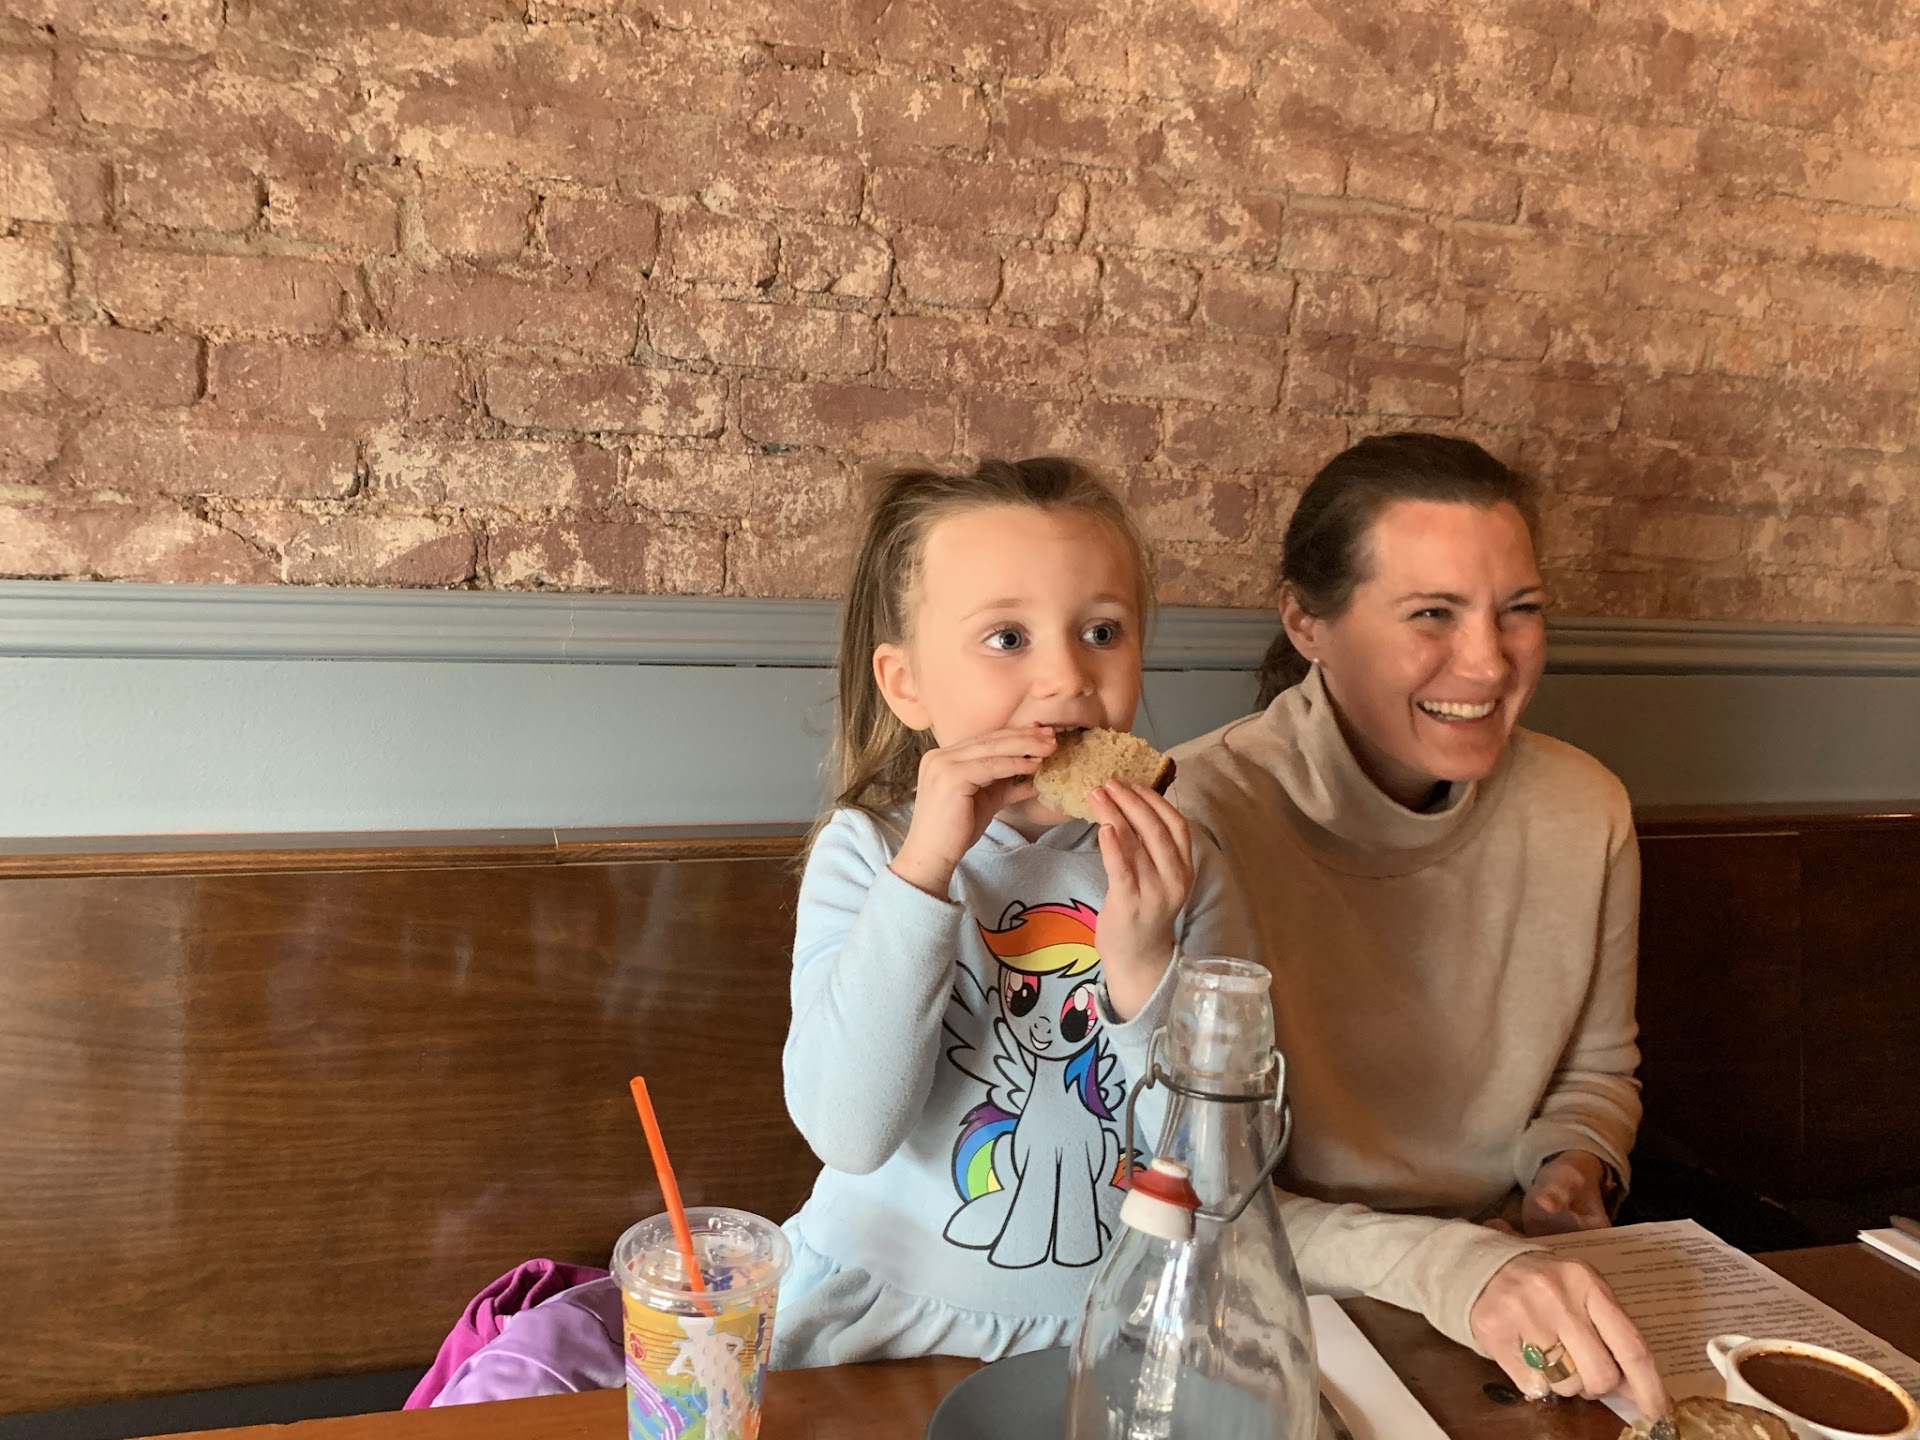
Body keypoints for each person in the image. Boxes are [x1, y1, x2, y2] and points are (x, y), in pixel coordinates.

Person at [1170, 431, 1666, 1416]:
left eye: (1518, 610)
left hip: (1506, 1290)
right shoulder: (1195, 814)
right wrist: (1455, 1265)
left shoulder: (1587, 808)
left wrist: (1571, 1172)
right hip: (1279, 1306)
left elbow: (1597, 1073)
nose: (1487, 660)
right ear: (1306, 622)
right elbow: (1199, 1185)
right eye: (1432, 613)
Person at [773, 454, 1249, 1368]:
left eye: (1102, 630)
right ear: (906, 683)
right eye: (1006, 638)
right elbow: (849, 1130)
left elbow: (1222, 1172)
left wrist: (1144, 969)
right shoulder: (869, 853)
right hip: (879, 1322)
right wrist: (924, 874)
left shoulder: (1184, 872)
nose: (1067, 676)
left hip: (1112, 1331)